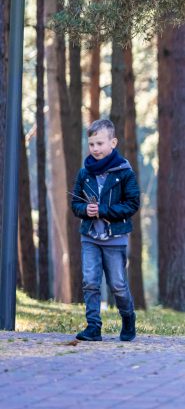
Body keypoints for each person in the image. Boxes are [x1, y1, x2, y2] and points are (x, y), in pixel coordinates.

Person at [70, 119, 140, 342]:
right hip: (90, 237)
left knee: (118, 285)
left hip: (115, 238)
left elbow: (132, 204)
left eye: (100, 143)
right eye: (92, 144)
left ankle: (128, 318)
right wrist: (86, 210)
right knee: (90, 281)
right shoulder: (85, 173)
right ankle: (93, 327)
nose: (95, 149)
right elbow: (75, 203)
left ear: (113, 142)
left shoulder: (124, 172)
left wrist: (103, 210)